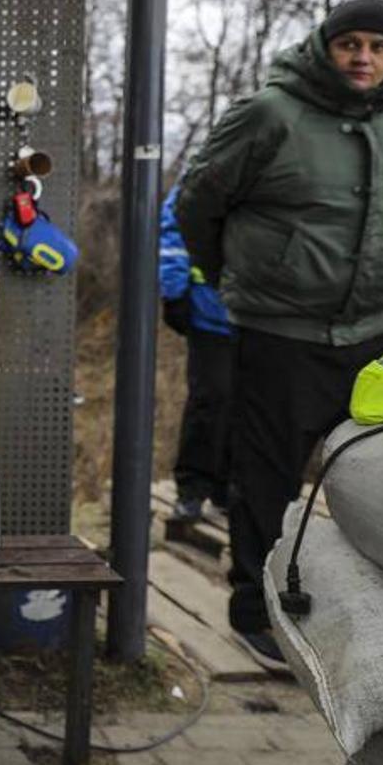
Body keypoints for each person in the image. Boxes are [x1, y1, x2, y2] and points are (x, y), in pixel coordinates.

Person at [177, 0, 383, 671]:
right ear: (325, 46)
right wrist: (228, 277)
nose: (363, 59)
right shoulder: (268, 114)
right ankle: (254, 612)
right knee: (265, 481)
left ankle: (364, 604)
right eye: (350, 44)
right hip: (277, 333)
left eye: (379, 48)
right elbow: (197, 201)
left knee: (382, 473)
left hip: (371, 331)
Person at [159, 182, 231, 522]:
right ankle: (192, 490)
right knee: (209, 402)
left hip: (270, 319)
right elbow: (173, 228)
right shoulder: (206, 173)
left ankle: (229, 490)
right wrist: (173, 292)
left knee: (255, 410)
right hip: (212, 314)